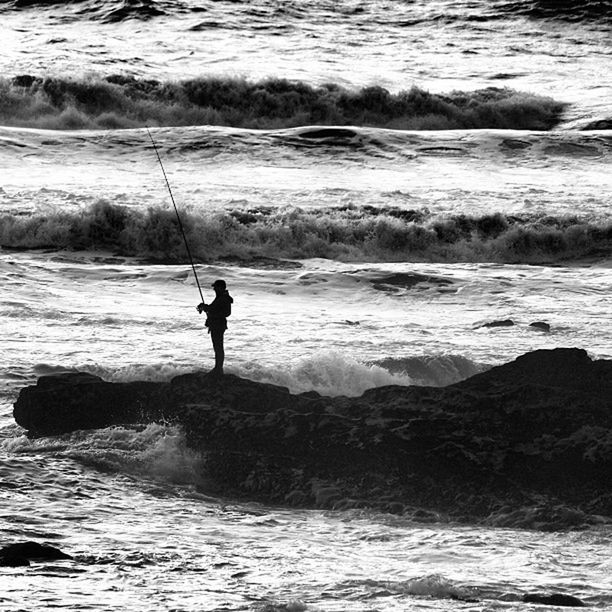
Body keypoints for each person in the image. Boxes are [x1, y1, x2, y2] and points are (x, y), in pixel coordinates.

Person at [197, 279, 233, 375]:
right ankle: (218, 368)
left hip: (218, 325)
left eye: (216, 287)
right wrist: (205, 307)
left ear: (221, 287)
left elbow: (227, 313)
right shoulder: (220, 297)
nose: (214, 289)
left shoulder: (224, 298)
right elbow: (214, 308)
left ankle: (218, 369)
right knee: (217, 347)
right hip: (216, 325)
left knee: (218, 347)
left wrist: (209, 310)